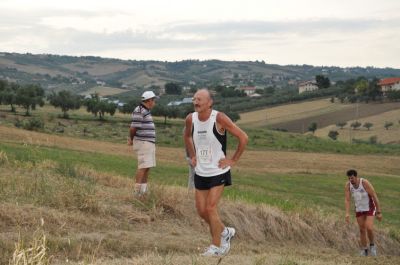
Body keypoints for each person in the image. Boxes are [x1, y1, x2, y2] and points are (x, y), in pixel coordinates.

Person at [183, 89, 248, 256]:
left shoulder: (219, 118)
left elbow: (243, 137)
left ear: (210, 103)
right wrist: (192, 155)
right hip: (201, 171)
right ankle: (226, 232)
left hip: (218, 171)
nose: (196, 102)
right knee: (201, 211)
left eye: (200, 99)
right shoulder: (191, 118)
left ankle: (216, 246)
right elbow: (187, 137)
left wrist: (233, 160)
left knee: (211, 208)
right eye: (194, 99)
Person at [345, 169, 382, 256]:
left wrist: (379, 211)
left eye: (352, 178)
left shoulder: (364, 183)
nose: (351, 180)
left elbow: (374, 196)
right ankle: (364, 250)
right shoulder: (348, 185)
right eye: (349, 178)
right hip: (359, 209)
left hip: (369, 208)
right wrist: (347, 213)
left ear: (356, 177)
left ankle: (372, 246)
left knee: (369, 228)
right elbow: (347, 199)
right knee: (362, 230)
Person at [128, 91, 157, 197]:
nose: (154, 103)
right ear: (149, 100)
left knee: (147, 166)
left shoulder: (145, 111)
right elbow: (133, 128)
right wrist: (131, 139)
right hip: (143, 142)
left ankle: (143, 191)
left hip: (148, 143)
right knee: (143, 166)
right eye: (153, 100)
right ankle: (136, 192)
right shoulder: (140, 110)